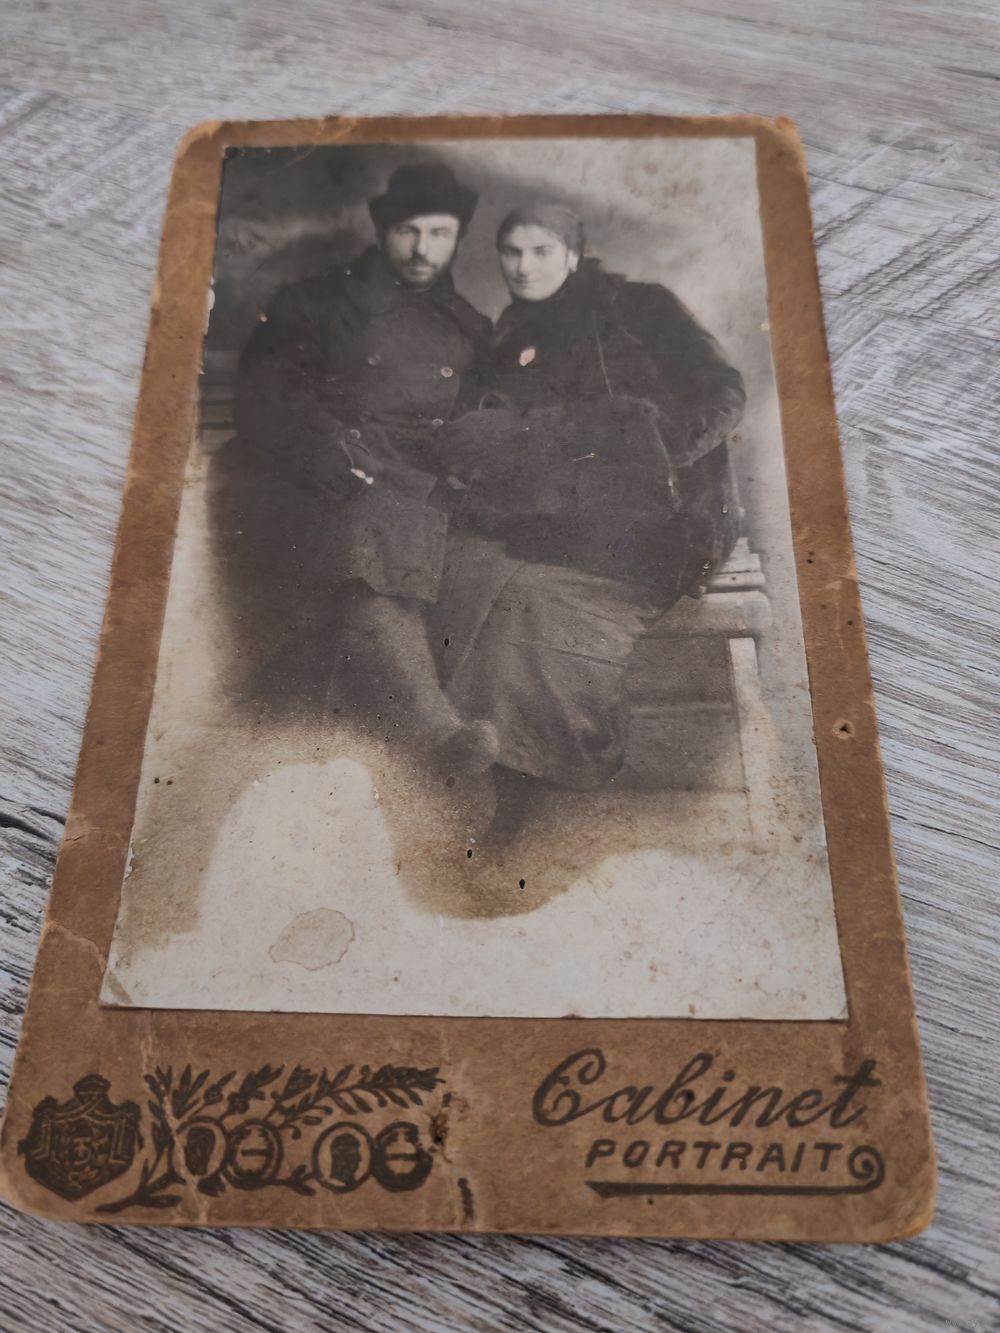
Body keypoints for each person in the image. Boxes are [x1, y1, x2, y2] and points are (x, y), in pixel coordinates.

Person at [430, 202, 746, 816]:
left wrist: (658, 454)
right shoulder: (510, 338)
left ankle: (547, 784)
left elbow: (724, 392)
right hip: (566, 524)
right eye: (511, 252)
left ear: (573, 255)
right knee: (481, 587)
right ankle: (494, 776)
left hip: (666, 520)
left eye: (541, 251)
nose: (524, 267)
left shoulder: (640, 308)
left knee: (535, 605)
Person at [215, 163, 499, 769]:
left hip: (416, 485)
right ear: (383, 229)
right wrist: (331, 451)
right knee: (373, 535)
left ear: (458, 238)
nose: (423, 250)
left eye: (440, 234)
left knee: (465, 557)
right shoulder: (318, 301)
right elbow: (266, 397)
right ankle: (433, 733)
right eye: (408, 231)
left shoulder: (470, 327)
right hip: (315, 476)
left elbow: (479, 424)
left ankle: (437, 737)